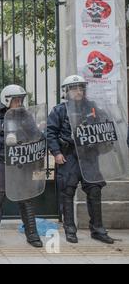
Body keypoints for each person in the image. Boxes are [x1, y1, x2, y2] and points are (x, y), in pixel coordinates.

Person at [47, 75, 114, 244]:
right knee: (67, 192)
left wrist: (106, 140)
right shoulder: (59, 111)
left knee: (95, 191)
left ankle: (97, 229)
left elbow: (104, 126)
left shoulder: (92, 108)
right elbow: (51, 134)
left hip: (89, 156)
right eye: (75, 88)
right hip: (69, 156)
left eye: (81, 88)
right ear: (66, 91)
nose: (79, 91)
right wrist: (56, 153)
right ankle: (70, 229)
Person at [0, 85, 43, 248]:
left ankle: (33, 235)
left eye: (20, 99)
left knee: (25, 198)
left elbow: (35, 136)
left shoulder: (26, 117)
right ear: (6, 100)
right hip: (1, 162)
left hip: (21, 164)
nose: (19, 102)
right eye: (16, 100)